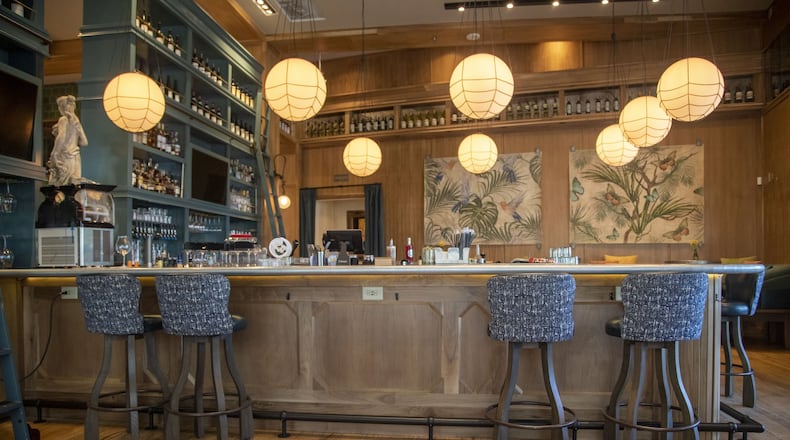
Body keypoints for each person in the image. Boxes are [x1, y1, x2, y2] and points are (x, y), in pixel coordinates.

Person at [48, 95, 88, 186]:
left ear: (61, 107)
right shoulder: (76, 122)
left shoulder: (63, 119)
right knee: (73, 188)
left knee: (60, 188)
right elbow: (84, 142)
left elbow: (61, 137)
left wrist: (54, 153)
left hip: (65, 158)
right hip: (75, 158)